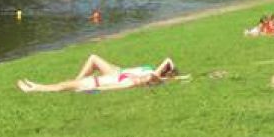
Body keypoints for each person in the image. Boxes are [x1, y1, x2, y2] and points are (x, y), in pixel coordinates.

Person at [17, 54, 177, 93]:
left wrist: (92, 90)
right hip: (110, 76)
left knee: (62, 86)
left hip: (99, 82)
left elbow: (113, 87)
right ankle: (34, 86)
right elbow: (168, 61)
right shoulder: (150, 75)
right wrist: (172, 73)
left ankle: (33, 88)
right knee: (64, 85)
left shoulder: (138, 80)